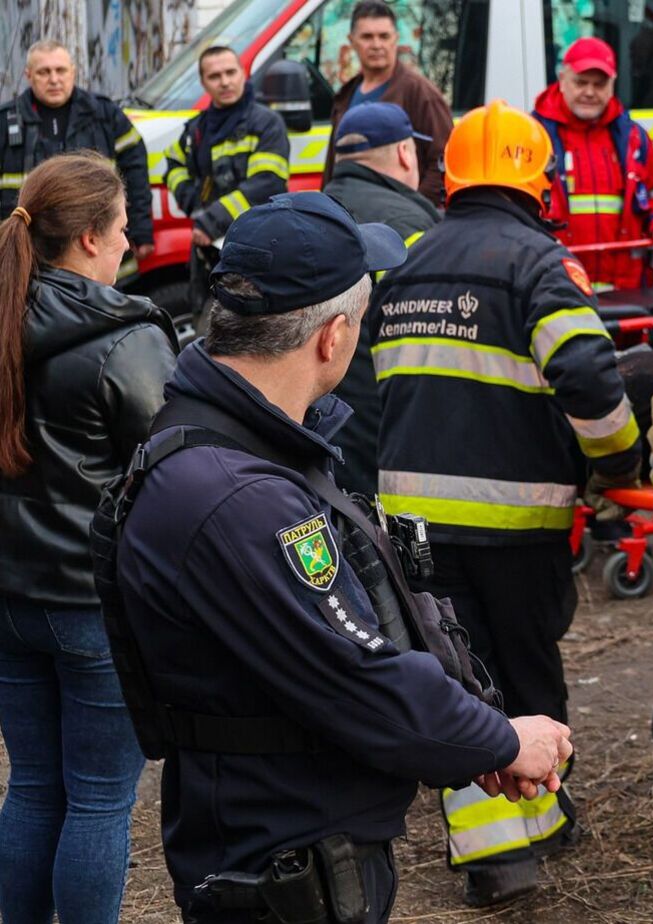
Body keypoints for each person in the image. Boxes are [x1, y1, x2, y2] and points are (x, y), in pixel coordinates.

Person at [102, 190, 573, 922]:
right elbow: (357, 676)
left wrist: (463, 738)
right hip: (288, 857)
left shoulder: (236, 445)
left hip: (286, 830)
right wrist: (503, 737)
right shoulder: (240, 495)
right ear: (332, 337)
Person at [368, 100, 640, 905]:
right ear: (537, 180)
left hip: (413, 522)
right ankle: (544, 816)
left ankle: (495, 861)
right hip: (515, 523)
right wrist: (620, 459)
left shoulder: (406, 264)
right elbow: (589, 378)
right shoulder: (538, 263)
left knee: (455, 677)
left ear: (451, 178)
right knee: (526, 666)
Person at [0, 152, 173, 924]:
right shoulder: (125, 339)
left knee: (34, 787)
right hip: (93, 606)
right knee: (102, 802)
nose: (132, 243)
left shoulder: (9, 313)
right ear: (93, 240)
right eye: (125, 229)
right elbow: (175, 466)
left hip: (7, 598)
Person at [322, 101, 439, 498]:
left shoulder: (316, 213)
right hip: (383, 434)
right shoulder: (410, 226)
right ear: (406, 153)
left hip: (315, 426)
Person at [532, 37, 653, 291]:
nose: (589, 92)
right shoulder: (533, 137)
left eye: (599, 84)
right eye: (581, 82)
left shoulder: (634, 138)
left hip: (626, 294)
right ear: (562, 80)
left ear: (612, 85)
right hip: (557, 290)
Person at [2, 41, 154, 270]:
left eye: (60, 70)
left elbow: (136, 173)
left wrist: (141, 230)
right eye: (44, 72)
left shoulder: (105, 114)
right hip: (28, 251)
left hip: (95, 247)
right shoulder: (5, 122)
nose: (54, 79)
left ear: (73, 72)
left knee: (101, 305)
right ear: (28, 75)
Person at [162, 46, 289, 301]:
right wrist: (193, 203)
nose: (225, 82)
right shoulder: (197, 129)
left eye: (231, 72)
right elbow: (173, 163)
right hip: (209, 251)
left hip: (258, 244)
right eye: (215, 76)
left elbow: (267, 185)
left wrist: (210, 220)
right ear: (203, 83)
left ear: (243, 73)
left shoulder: (265, 123)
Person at [325, 1, 453, 204]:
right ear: (352, 41)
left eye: (384, 36)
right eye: (367, 37)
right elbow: (333, 166)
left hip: (400, 225)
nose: (377, 45)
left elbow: (444, 163)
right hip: (350, 216)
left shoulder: (421, 93)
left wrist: (414, 211)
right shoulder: (345, 95)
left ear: (396, 39)